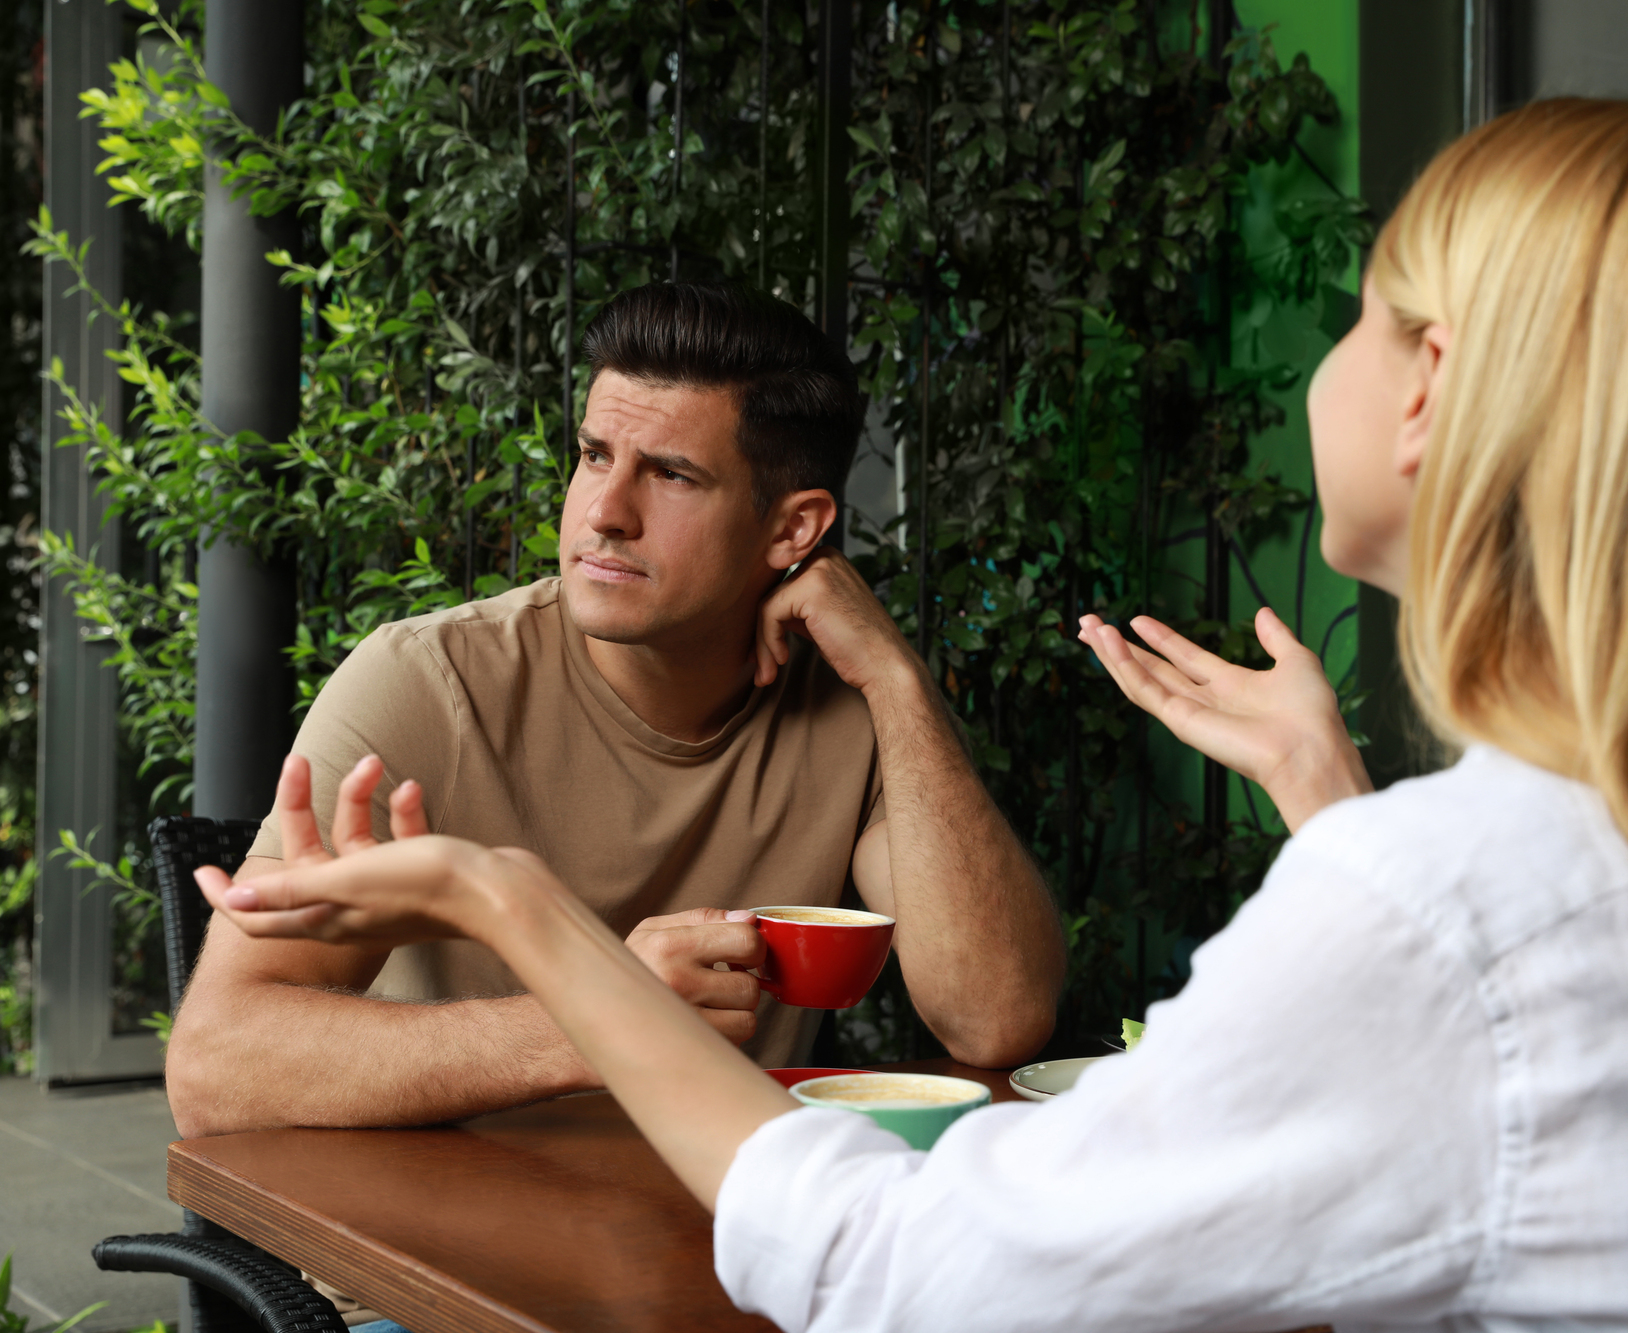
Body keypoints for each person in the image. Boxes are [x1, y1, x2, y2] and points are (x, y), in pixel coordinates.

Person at [192, 100, 1628, 1333]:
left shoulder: (1456, 897)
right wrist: (1339, 807)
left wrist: (514, 902)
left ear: (1436, 393)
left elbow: (931, 1224)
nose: (599, 506)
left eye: (1370, 313)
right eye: (593, 455)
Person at [167, 280, 1066, 1139]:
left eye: (671, 475)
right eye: (596, 454)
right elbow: (215, 1065)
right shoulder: (427, 684)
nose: (603, 511)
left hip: (729, 1254)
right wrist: (595, 1016)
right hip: (439, 1276)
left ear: (794, 529)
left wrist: (897, 680)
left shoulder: (848, 713)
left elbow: (995, 1022)